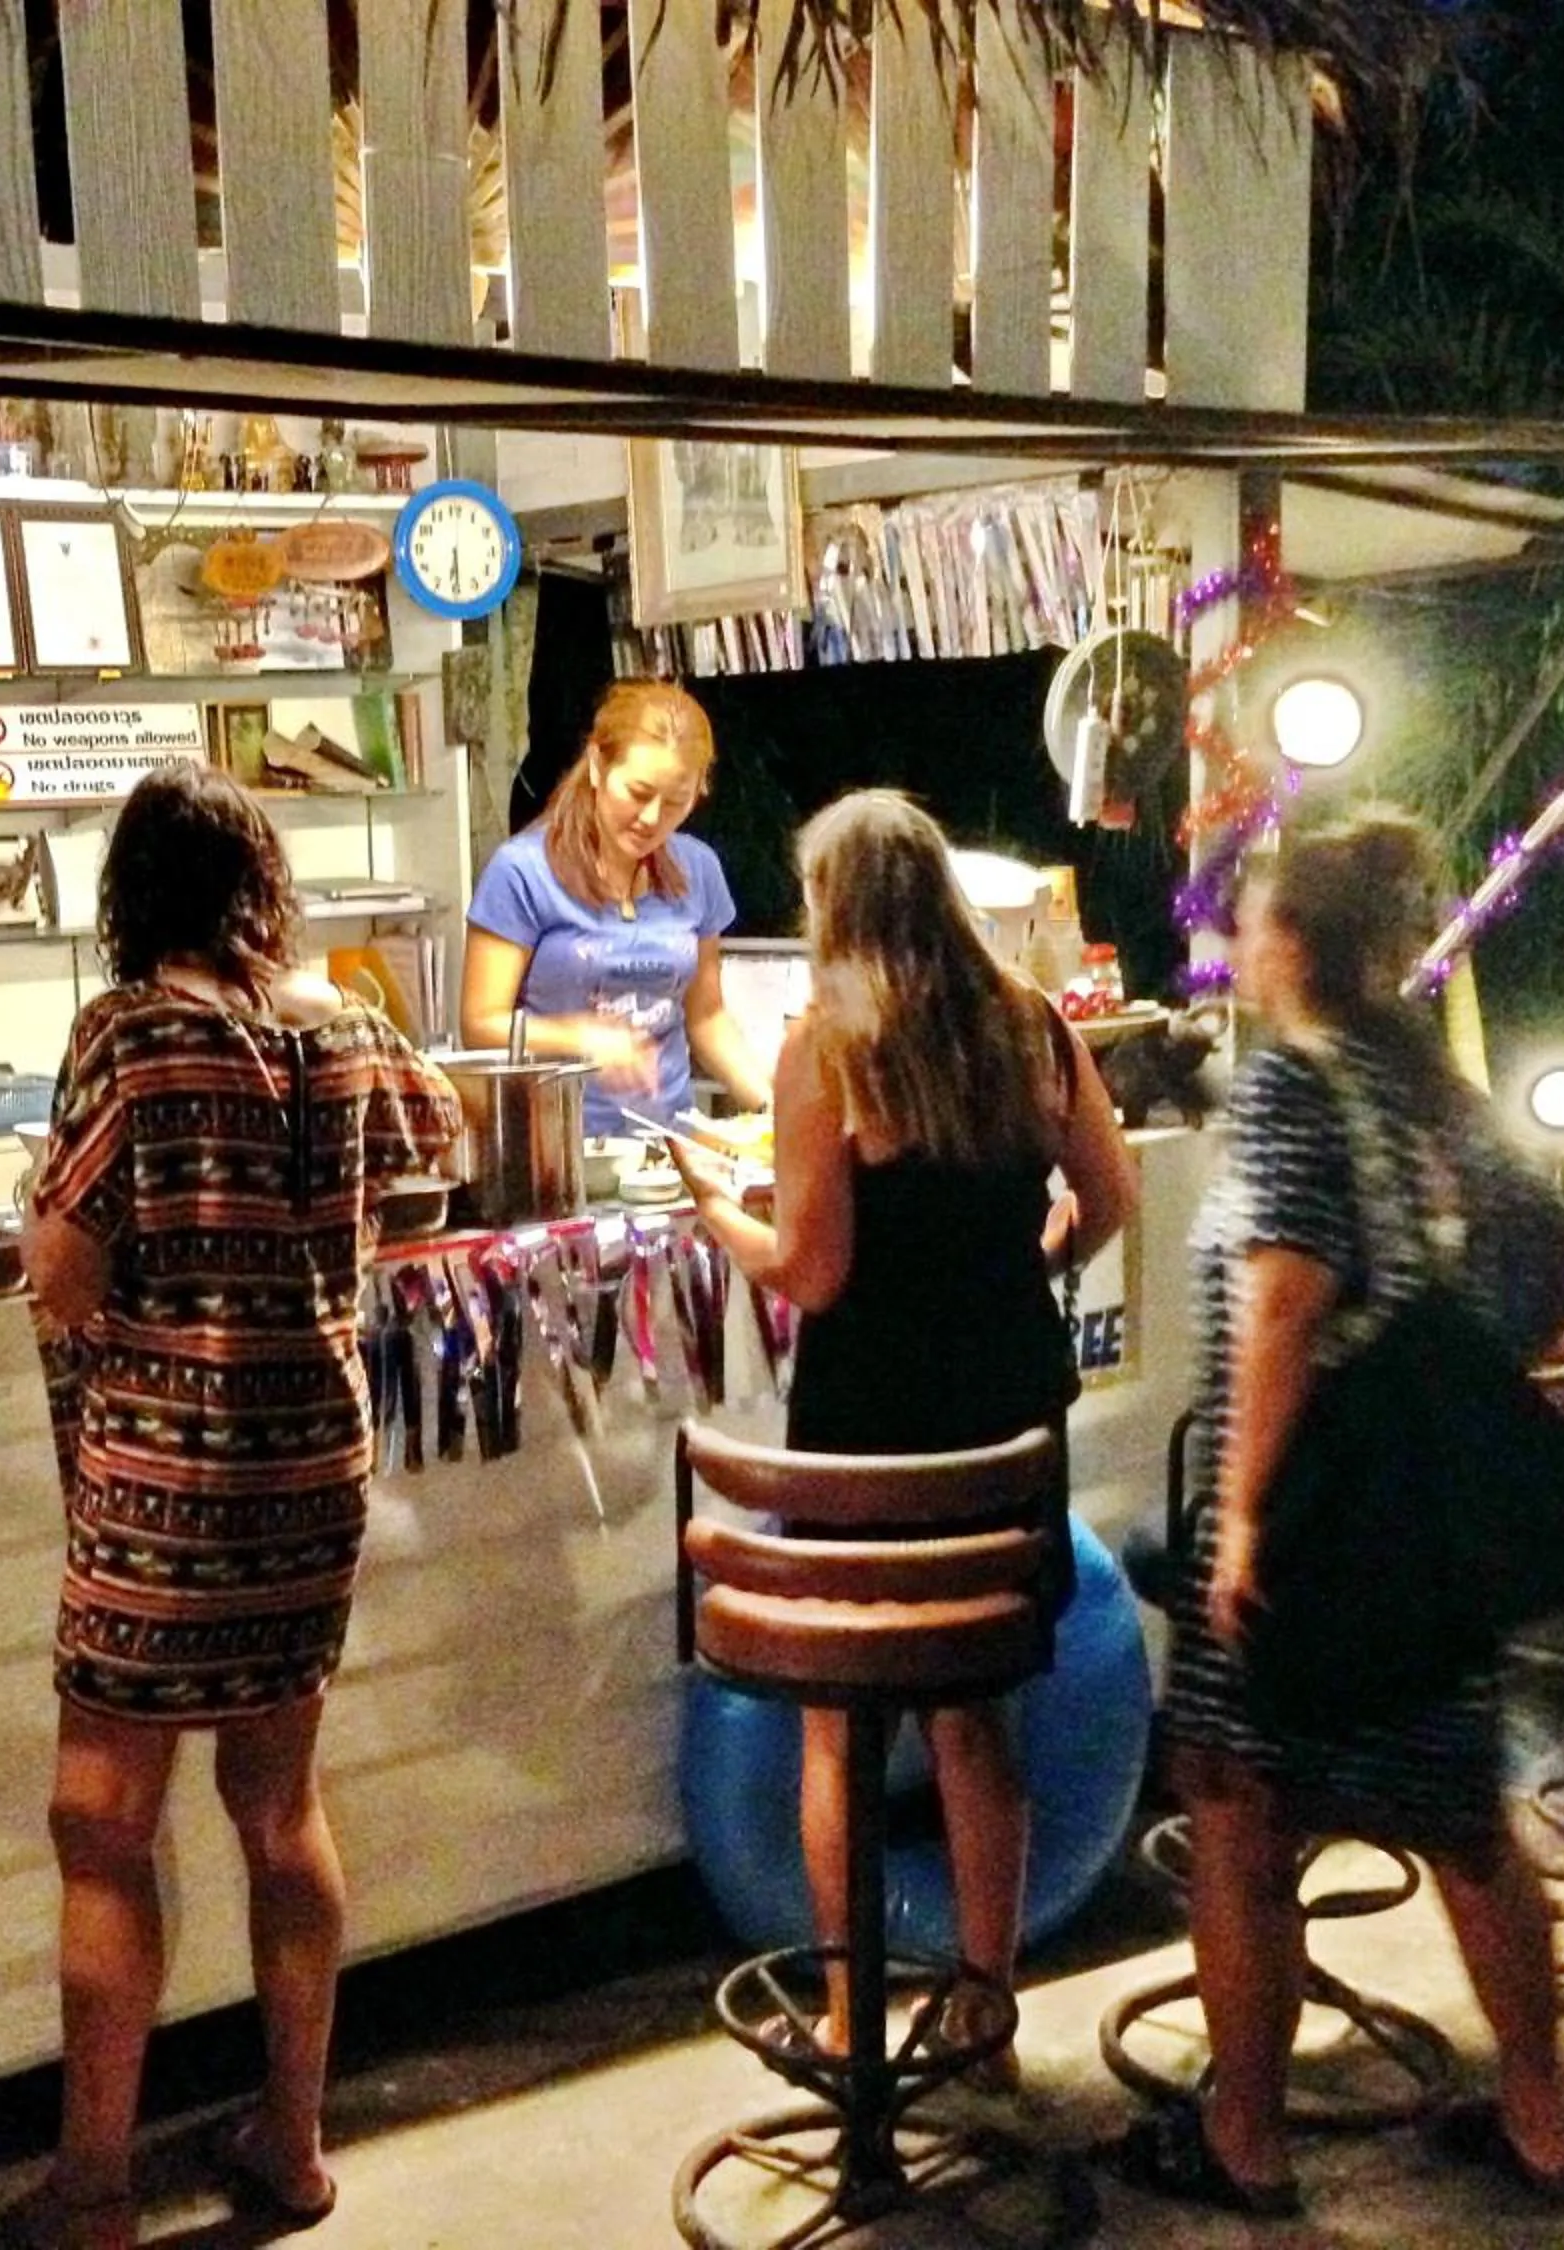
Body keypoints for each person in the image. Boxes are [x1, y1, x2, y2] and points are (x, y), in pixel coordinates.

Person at [8, 764, 461, 2250]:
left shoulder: (128, 1037)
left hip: (166, 1479)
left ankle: (90, 2190)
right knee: (279, 1806)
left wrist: (55, 1221)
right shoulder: (343, 1024)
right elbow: (430, 1177)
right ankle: (294, 2140)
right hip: (309, 1469)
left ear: (132, 897)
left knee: (102, 1822)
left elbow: (66, 1270)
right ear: (258, 885)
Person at [1138, 808, 1564, 2219]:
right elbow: (1556, 1266)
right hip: (1424, 1514)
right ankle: (1539, 2122)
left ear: (1286, 943)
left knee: (1238, 1804)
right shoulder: (1426, 1086)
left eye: (1254, 922)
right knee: (1464, 1815)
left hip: (1317, 1504)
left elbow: (1283, 1296)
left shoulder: (1286, 1088)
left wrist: (1249, 1519)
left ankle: (1248, 2142)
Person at [677, 790, 1139, 2078]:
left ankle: (845, 2011)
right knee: (974, 1722)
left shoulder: (829, 1048)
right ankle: (988, 2007)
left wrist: (721, 1212)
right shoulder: (1032, 1025)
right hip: (1003, 1424)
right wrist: (1034, 1253)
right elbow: (1108, 1194)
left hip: (871, 1437)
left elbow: (816, 1275)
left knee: (839, 1726)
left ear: (836, 912)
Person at [463, 678, 774, 1135]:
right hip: (559, 1144)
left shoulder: (699, 869)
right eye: (638, 792)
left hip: (669, 1145)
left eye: (674, 802)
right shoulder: (522, 871)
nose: (651, 818)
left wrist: (773, 1111)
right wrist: (580, 1038)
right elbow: (480, 1023)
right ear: (596, 766)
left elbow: (706, 1016)